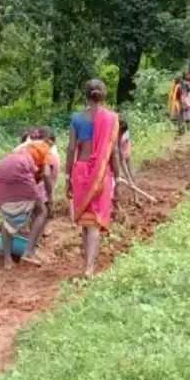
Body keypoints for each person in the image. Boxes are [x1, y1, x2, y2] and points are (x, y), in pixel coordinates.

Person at [66, 79, 122, 278]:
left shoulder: (77, 119)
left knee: (85, 222)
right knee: (94, 223)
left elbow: (72, 149)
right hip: (100, 175)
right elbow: (114, 153)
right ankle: (89, 267)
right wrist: (118, 179)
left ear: (86, 95)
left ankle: (87, 264)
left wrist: (67, 177)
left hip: (80, 172)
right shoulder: (111, 119)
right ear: (104, 95)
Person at [0, 128, 54, 269]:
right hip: (21, 169)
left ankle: (7, 260)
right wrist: (50, 197)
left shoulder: (25, 147)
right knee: (42, 211)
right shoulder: (45, 148)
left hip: (1, 167)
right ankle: (29, 251)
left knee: (7, 220)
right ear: (49, 141)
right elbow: (45, 174)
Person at [117, 118, 140, 206]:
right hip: (118, 158)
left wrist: (128, 154)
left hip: (127, 155)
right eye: (120, 133)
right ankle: (116, 202)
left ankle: (136, 198)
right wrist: (127, 178)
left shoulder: (126, 133)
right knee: (117, 179)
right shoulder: (115, 137)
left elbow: (128, 144)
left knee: (133, 176)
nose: (121, 134)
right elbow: (121, 159)